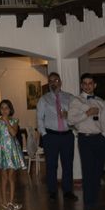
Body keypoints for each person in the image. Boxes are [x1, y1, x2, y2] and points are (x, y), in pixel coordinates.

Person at [67, 73, 105, 210]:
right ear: (82, 85)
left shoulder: (101, 101)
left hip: (100, 139)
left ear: (94, 85)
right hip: (86, 139)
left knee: (97, 172)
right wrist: (87, 113)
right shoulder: (75, 101)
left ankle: (94, 202)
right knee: (88, 172)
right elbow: (70, 120)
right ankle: (88, 205)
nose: (88, 85)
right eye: (85, 83)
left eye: (91, 83)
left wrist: (104, 136)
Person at [36, 72, 78, 201]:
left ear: (60, 81)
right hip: (51, 136)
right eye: (51, 81)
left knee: (67, 164)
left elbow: (76, 116)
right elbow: (39, 119)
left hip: (67, 136)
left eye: (56, 80)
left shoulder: (70, 98)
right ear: (49, 84)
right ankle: (52, 191)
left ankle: (67, 191)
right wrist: (45, 135)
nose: (54, 83)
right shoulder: (44, 99)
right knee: (51, 165)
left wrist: (69, 116)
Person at [0, 100, 26, 210]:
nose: (4, 110)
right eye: (2, 108)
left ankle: (11, 202)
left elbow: (13, 133)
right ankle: (4, 202)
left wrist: (7, 122)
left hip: (12, 151)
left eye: (6, 108)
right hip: (1, 151)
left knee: (11, 177)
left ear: (10, 110)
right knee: (3, 177)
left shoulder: (14, 121)